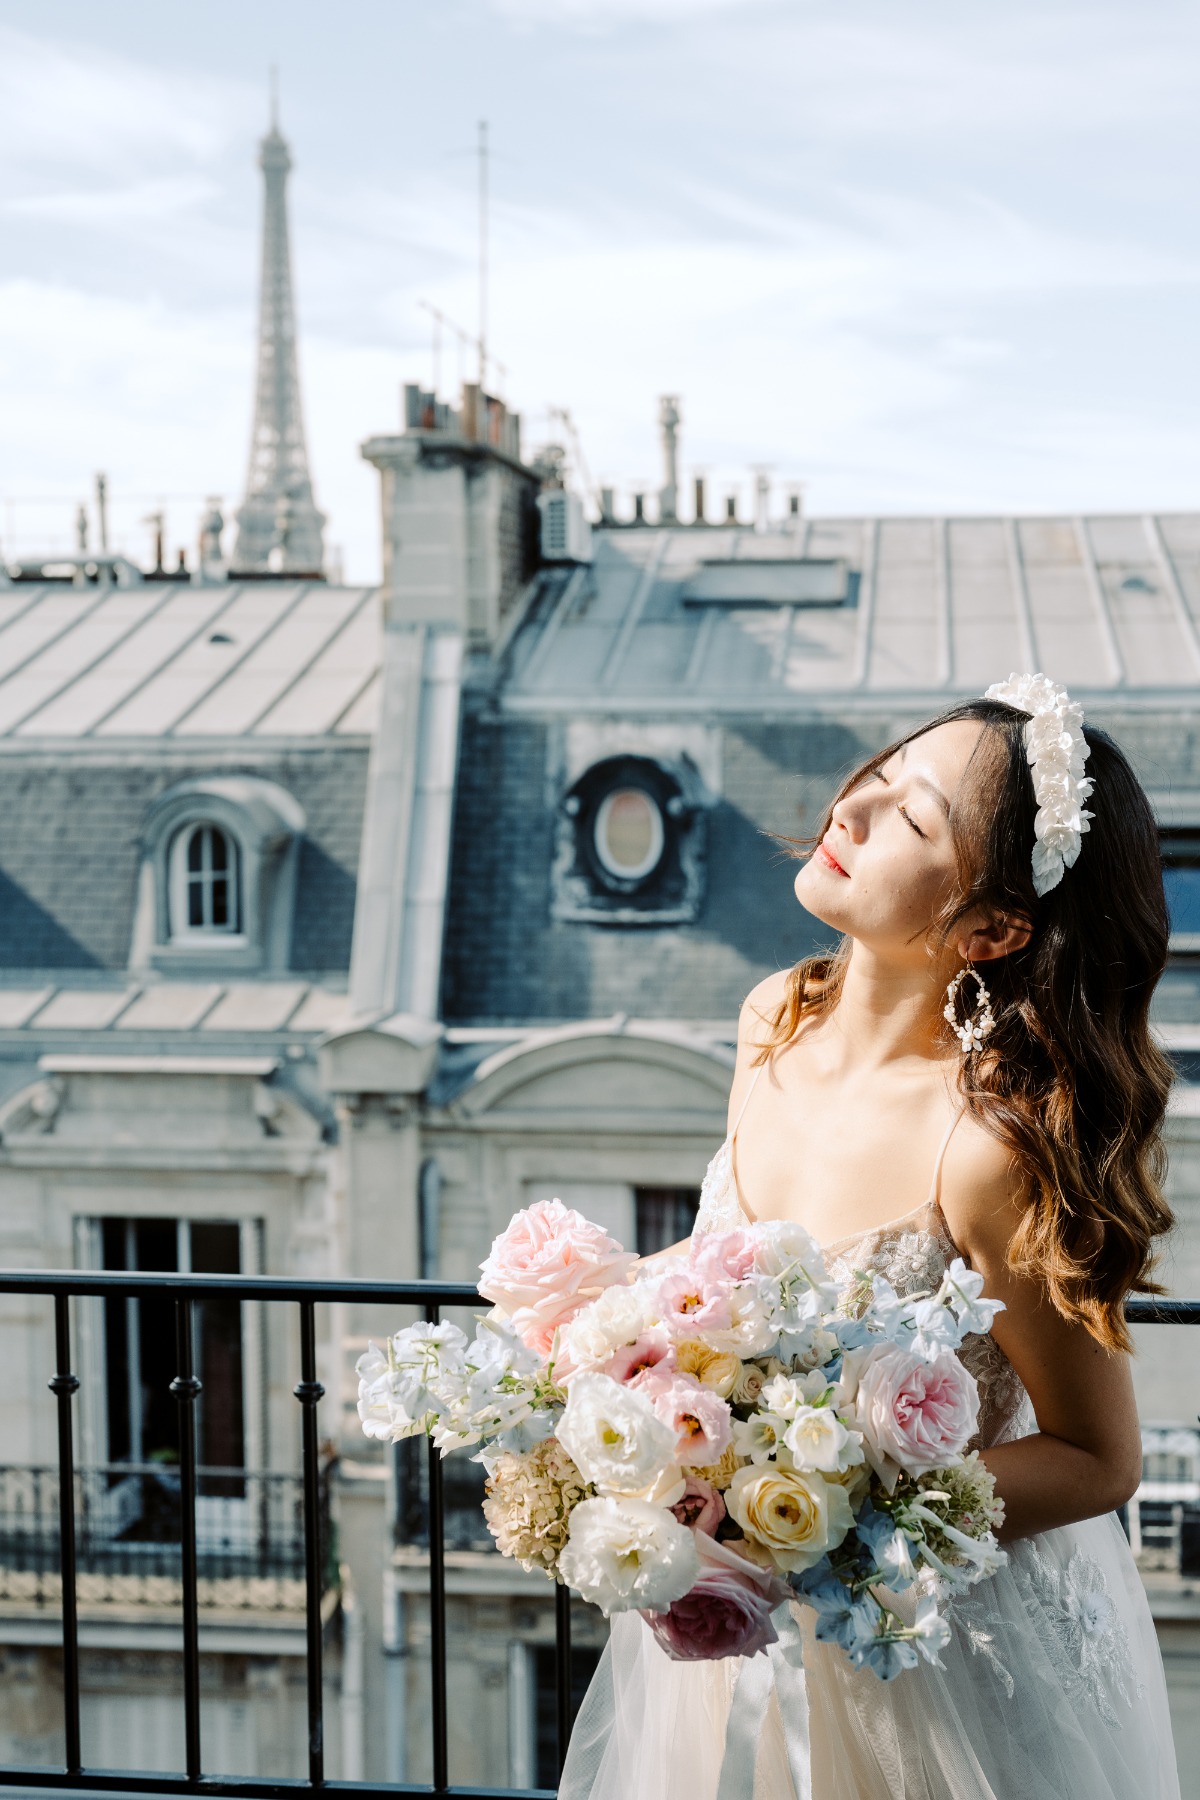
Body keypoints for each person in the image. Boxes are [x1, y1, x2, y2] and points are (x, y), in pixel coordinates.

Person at [559, 677, 1182, 1799]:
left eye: (910, 818)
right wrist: (601, 1333)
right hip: (737, 1620)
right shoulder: (771, 1019)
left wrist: (824, 1525)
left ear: (992, 927)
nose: (850, 812)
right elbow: (740, 1264)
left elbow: (1100, 1460)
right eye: (877, 778)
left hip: (931, 1656)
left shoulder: (990, 1147)